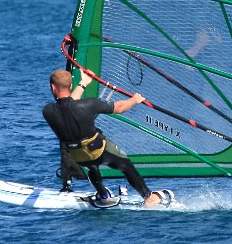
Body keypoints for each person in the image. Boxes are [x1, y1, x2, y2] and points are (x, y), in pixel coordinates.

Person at [42, 69, 164, 207]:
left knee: (92, 167)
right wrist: (134, 100)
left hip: (77, 157)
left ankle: (103, 195)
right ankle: (148, 197)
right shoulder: (89, 104)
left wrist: (84, 83)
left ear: (52, 87)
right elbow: (119, 107)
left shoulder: (47, 111)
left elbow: (69, 105)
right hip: (99, 151)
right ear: (70, 86)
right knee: (126, 165)